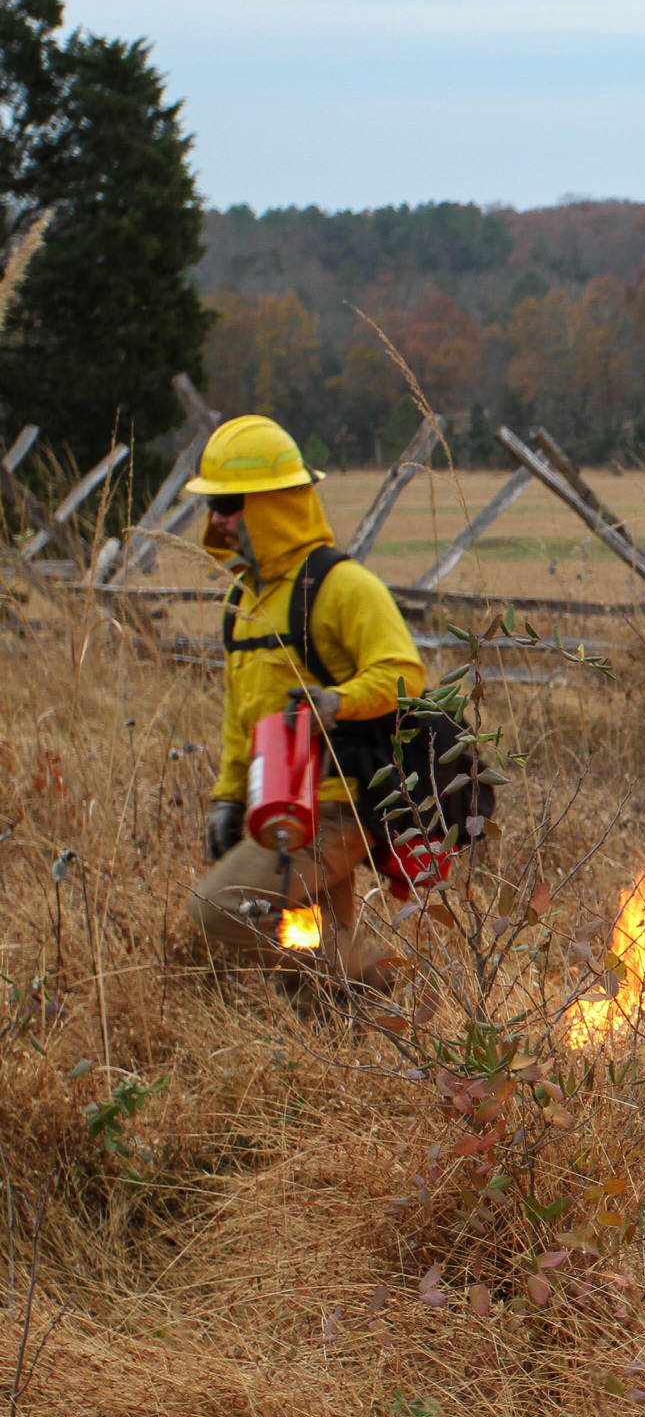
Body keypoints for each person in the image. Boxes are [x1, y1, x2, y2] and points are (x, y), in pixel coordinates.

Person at [187, 416, 424, 992]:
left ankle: (382, 982)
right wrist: (226, 798)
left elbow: (404, 675)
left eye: (228, 502)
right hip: (282, 810)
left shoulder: (341, 586)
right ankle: (370, 1045)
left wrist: (336, 702)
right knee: (312, 983)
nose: (217, 517)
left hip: (339, 809)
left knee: (215, 909)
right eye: (213, 503)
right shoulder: (244, 600)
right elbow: (238, 718)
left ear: (272, 504)